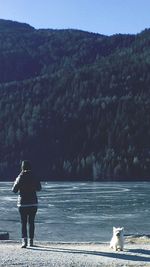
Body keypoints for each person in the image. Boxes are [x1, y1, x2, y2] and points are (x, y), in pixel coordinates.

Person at [12, 160, 41, 248]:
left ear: (22, 167)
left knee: (23, 223)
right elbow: (39, 188)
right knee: (31, 222)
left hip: (22, 203)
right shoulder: (34, 176)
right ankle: (31, 242)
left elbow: (14, 190)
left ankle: (24, 242)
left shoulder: (20, 176)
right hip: (33, 203)